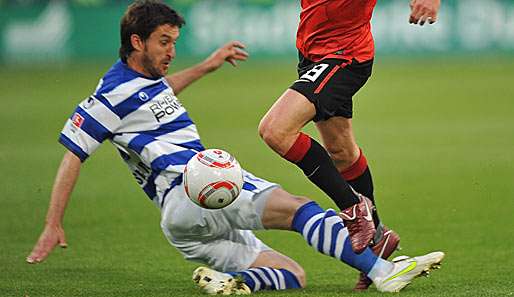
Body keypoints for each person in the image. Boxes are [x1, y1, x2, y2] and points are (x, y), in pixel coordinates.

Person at [26, 0, 444, 295]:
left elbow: (158, 92)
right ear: (138, 42)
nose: (171, 51)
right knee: (299, 204)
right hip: (196, 189)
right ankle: (383, 268)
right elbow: (73, 153)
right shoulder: (111, 97)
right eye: (164, 42)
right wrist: (53, 223)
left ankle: (229, 284)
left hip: (181, 227)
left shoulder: (138, 86)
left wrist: (206, 66)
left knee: (292, 276)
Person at [257, 0, 441, 290]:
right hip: (314, 54)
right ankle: (378, 239)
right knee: (342, 152)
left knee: (275, 131)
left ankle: (354, 209)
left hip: (344, 57)